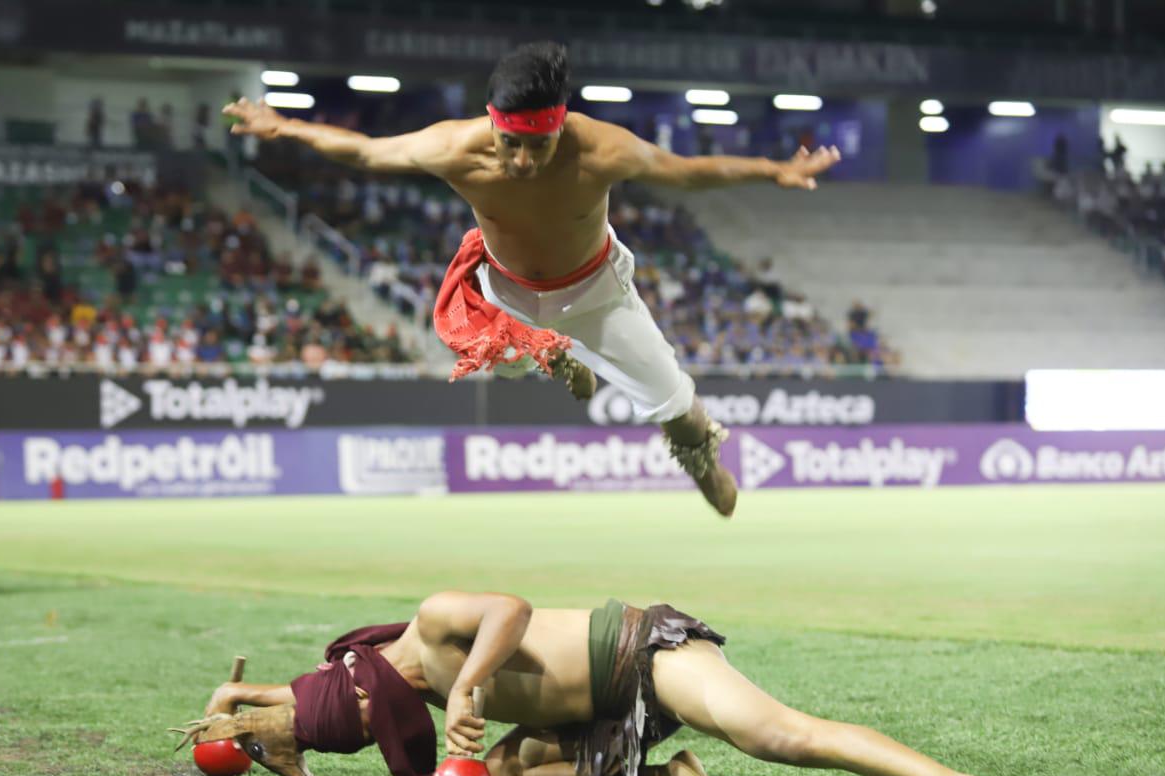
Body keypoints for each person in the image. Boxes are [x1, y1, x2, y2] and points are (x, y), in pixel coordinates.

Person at [222, 42, 841, 517]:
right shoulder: (455, 148)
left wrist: (771, 170)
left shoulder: (601, 150)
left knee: (678, 408)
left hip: (598, 292)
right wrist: (289, 128)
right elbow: (365, 152)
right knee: (503, 356)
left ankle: (695, 449)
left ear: (561, 125)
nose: (521, 161)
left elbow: (686, 172)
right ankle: (557, 358)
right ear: (493, 123)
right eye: (510, 143)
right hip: (508, 297)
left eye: (537, 147)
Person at [174, 590, 1009, 776]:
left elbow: (513, 609)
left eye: (374, 724)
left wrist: (468, 684)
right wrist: (238, 701)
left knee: (774, 735)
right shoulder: (356, 686)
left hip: (642, 657)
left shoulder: (433, 632)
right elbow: (306, 700)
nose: (393, 730)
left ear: (371, 689)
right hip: (599, 716)